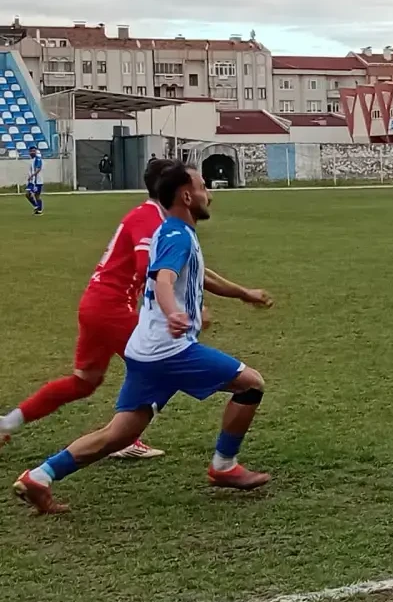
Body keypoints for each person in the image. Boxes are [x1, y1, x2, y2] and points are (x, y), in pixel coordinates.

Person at [13, 164, 274, 515]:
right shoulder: (178, 236)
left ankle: (40, 476)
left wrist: (243, 293)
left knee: (119, 434)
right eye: (203, 186)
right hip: (169, 351)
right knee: (251, 384)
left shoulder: (170, 230)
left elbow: (187, 274)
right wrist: (174, 313)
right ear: (186, 195)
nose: (209, 193)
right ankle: (224, 466)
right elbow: (163, 279)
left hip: (144, 350)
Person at [25, 146, 43, 215]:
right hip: (32, 181)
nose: (33, 152)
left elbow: (38, 169)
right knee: (27, 194)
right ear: (29, 152)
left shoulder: (38, 159)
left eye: (34, 151)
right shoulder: (31, 160)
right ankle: (36, 206)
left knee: (37, 196)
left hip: (37, 181)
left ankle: (39, 210)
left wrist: (32, 176)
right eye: (31, 151)